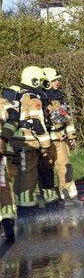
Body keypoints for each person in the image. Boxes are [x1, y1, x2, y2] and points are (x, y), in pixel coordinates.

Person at [41, 67, 78, 204]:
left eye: (58, 80)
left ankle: (69, 195)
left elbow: (66, 118)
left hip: (60, 139)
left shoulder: (60, 97)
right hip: (45, 142)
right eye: (54, 80)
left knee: (65, 166)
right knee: (46, 169)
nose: (57, 82)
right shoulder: (40, 100)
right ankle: (49, 199)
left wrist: (71, 135)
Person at [14, 66, 48, 208]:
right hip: (28, 141)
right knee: (29, 173)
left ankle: (18, 201)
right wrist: (46, 145)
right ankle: (26, 205)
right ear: (34, 81)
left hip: (16, 140)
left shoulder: (19, 96)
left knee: (20, 173)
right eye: (39, 81)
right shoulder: (33, 99)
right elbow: (38, 122)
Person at [0, 85, 19, 238]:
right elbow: (13, 118)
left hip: (3, 154)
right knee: (3, 186)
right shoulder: (4, 104)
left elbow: (13, 118)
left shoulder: (3, 105)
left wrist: (3, 138)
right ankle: (7, 218)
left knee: (3, 185)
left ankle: (7, 220)